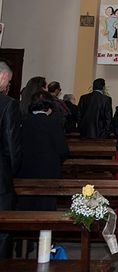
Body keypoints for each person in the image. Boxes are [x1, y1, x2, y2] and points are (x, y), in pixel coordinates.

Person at [17, 91, 68, 211]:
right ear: (48, 106)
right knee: (46, 205)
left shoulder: (24, 122)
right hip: (48, 171)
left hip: (26, 170)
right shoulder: (53, 123)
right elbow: (63, 150)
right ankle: (45, 229)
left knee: (26, 205)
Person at [0, 62, 21, 258]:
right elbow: (11, 144)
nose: (8, 86)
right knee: (3, 228)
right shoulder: (8, 104)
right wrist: (12, 171)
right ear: (2, 77)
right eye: (8, 81)